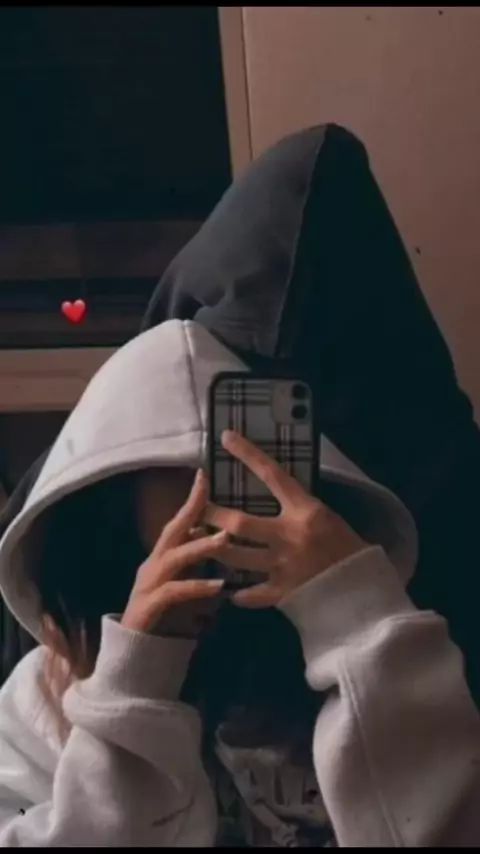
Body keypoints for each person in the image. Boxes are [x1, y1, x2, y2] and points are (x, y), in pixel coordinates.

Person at [0, 318, 479, 847]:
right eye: (171, 562)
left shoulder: (404, 664)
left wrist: (357, 616)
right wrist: (129, 686)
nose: (212, 590)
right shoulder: (44, 696)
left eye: (243, 549)